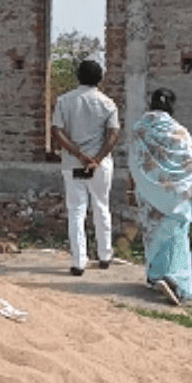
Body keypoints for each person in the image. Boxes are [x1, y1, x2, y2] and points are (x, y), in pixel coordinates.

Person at [128, 87, 192, 305]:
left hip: (149, 191)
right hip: (175, 194)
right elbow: (191, 163)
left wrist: (135, 187)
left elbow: (135, 161)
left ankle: (156, 275)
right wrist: (178, 186)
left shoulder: (140, 128)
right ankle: (178, 280)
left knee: (153, 231)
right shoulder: (180, 132)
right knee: (177, 235)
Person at [51, 59, 121, 276]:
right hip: (100, 166)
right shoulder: (108, 103)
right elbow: (113, 135)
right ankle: (104, 255)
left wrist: (79, 154)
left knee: (76, 211)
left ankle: (78, 261)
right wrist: (97, 159)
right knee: (101, 207)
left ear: (78, 76)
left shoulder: (64, 101)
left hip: (73, 164)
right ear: (100, 79)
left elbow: (56, 131)